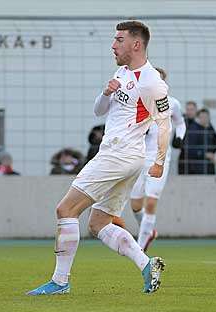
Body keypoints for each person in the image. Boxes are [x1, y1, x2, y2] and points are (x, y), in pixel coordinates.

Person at [27, 21, 169, 296]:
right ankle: (146, 263)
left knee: (65, 210)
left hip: (118, 154)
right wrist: (106, 92)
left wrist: (160, 161)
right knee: (99, 223)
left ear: (136, 44)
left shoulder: (152, 82)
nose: (113, 45)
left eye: (119, 40)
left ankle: (60, 281)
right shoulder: (123, 72)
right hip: (126, 157)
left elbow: (165, 125)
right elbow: (98, 111)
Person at [129, 67, 186, 252]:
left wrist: (179, 137)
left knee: (151, 201)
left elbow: (180, 122)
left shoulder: (172, 104)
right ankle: (149, 231)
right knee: (135, 206)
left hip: (160, 158)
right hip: (139, 158)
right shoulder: (139, 104)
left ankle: (140, 247)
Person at [183, 108, 216, 174]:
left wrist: (212, 154)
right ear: (198, 118)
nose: (205, 119)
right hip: (196, 167)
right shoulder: (193, 129)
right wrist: (205, 154)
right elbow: (189, 149)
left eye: (206, 117)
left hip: (209, 166)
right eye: (202, 117)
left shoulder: (209, 127)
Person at [177, 101, 198, 174]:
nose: (189, 112)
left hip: (197, 159)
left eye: (191, 109)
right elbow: (175, 144)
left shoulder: (200, 123)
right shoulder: (182, 124)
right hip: (184, 158)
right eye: (188, 109)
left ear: (196, 110)